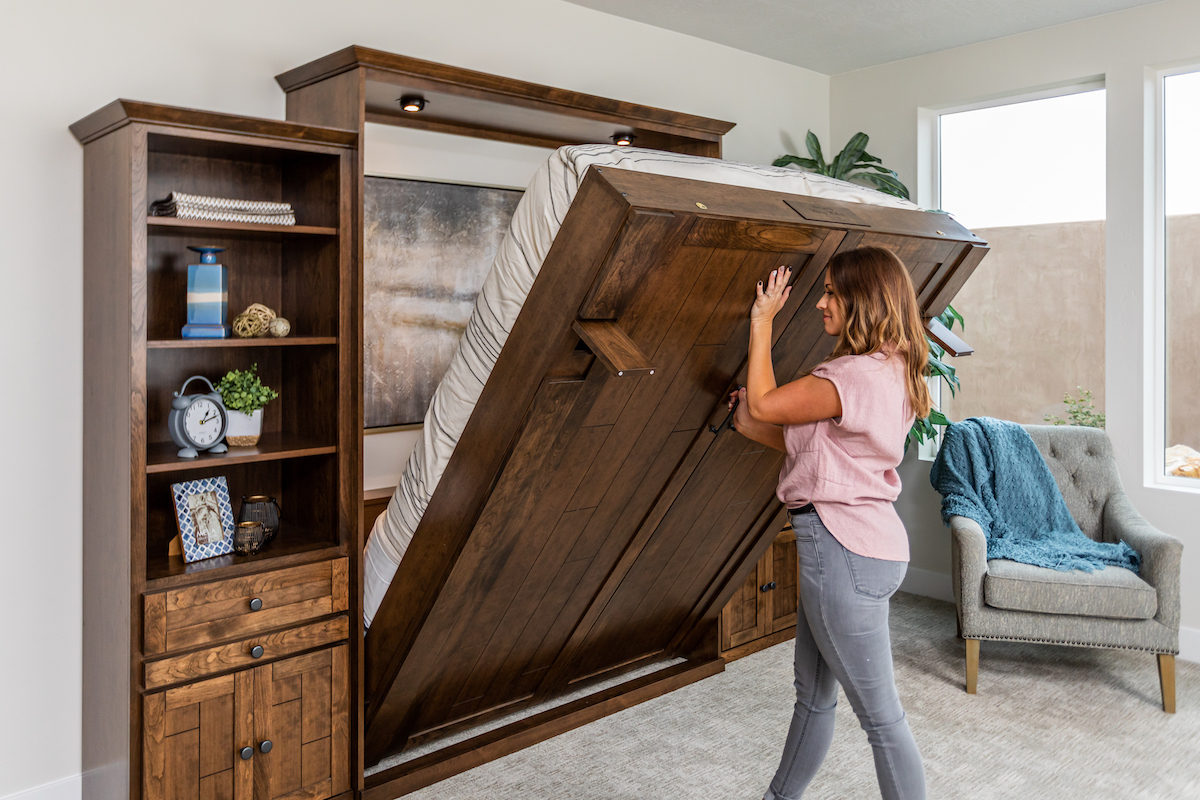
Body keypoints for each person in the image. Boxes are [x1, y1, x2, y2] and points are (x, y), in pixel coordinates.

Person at [730, 246, 930, 800]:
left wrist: (762, 320)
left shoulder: (849, 376)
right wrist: (748, 421)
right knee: (813, 695)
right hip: (866, 547)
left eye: (832, 293)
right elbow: (814, 446)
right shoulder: (892, 369)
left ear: (861, 300)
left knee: (882, 721)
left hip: (840, 551)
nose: (821, 303)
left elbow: (768, 403)